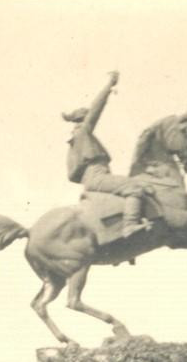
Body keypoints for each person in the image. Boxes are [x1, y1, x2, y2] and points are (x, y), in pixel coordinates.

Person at [63, 70, 150, 239]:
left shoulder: (73, 142)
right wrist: (109, 85)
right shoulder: (83, 132)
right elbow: (97, 108)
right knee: (134, 187)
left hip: (90, 179)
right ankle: (130, 225)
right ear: (84, 119)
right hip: (97, 176)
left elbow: (72, 175)